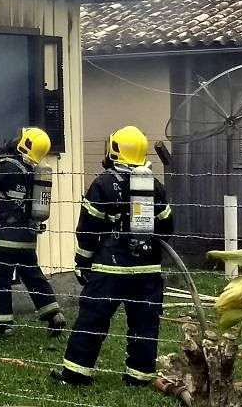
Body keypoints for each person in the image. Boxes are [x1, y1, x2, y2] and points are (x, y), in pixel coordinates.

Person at [51, 126, 172, 387]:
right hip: (147, 272)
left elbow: (88, 228)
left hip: (110, 270)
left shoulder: (104, 184)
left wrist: (83, 263)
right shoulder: (155, 186)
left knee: (93, 319)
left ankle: (76, 374)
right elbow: (167, 227)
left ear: (115, 151)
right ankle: (139, 377)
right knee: (144, 324)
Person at [0, 126, 66, 337]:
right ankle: (53, 313)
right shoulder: (35, 172)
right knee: (33, 275)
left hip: (4, 236)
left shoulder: (7, 167)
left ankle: (2, 324)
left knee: (0, 277)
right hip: (27, 236)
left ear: (25, 144)